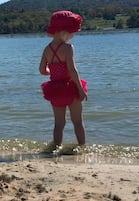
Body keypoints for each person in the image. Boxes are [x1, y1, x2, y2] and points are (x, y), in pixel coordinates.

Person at [39, 10, 88, 147]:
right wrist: (80, 89)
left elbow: (42, 70)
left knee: (59, 124)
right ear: (64, 31)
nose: (72, 35)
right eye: (72, 32)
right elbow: (72, 71)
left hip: (55, 90)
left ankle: (55, 147)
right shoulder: (67, 48)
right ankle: (82, 147)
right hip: (70, 88)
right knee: (77, 122)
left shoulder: (47, 49)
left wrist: (53, 71)